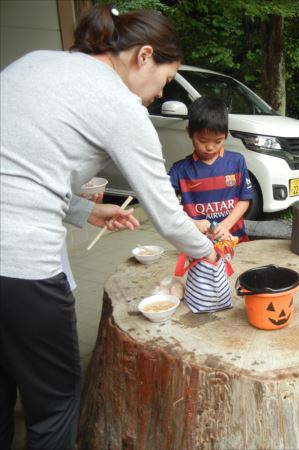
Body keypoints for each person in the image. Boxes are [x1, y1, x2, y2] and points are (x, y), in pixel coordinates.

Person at [0, 5, 217, 449]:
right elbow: (166, 213)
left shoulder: (34, 62)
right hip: (19, 266)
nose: (159, 93)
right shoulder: (119, 105)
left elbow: (20, 173)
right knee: (56, 402)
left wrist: (85, 212)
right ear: (144, 56)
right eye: (164, 79)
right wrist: (206, 251)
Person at [169, 96, 254, 241]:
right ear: (189, 132)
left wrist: (226, 225)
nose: (209, 147)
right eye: (202, 140)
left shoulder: (236, 162)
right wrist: (194, 223)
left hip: (235, 240)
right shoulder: (180, 170)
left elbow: (244, 199)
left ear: (226, 136)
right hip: (198, 244)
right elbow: (167, 206)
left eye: (218, 141)